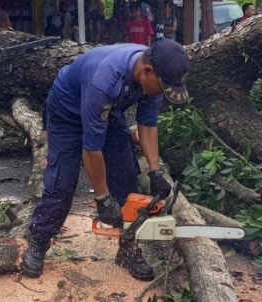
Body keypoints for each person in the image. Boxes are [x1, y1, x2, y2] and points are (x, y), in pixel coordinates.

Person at [21, 39, 191, 281]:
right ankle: (38, 240)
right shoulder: (105, 79)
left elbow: (148, 124)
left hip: (107, 112)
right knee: (62, 182)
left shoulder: (155, 77)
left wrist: (155, 172)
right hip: (66, 112)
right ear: (147, 71)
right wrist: (102, 198)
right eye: (162, 87)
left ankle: (128, 249)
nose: (162, 93)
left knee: (126, 175)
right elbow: (92, 149)